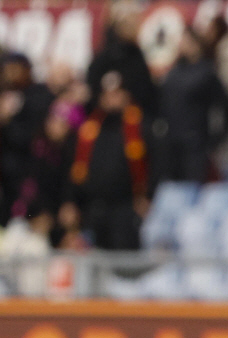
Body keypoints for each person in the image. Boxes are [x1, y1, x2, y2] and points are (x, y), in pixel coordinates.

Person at [61, 72, 155, 250]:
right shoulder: (88, 131)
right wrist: (70, 200)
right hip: (92, 210)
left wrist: (148, 195)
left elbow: (156, 164)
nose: (112, 99)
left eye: (117, 93)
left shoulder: (141, 127)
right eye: (107, 95)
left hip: (126, 209)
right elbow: (72, 169)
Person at [159, 28, 228, 182]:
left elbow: (226, 105)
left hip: (195, 145)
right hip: (172, 143)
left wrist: (219, 137)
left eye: (185, 41)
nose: (181, 45)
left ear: (196, 45)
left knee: (193, 188)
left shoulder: (206, 73)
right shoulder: (174, 72)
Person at [0, 54, 55, 222]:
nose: (11, 73)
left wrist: (7, 121)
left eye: (16, 68)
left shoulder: (39, 95)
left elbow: (31, 136)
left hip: (29, 173)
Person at [87, 2, 157, 118]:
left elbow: (145, 89)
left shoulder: (137, 56)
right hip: (103, 117)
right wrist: (102, 98)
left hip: (132, 116)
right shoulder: (104, 54)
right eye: (125, 24)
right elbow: (92, 81)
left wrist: (127, 97)